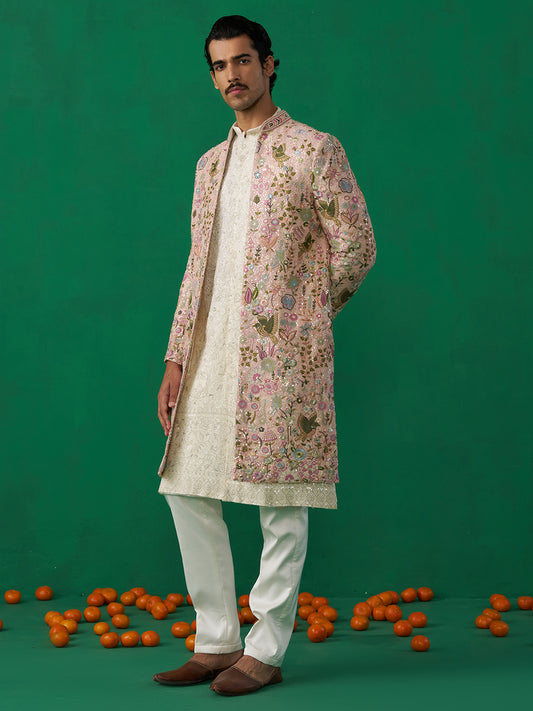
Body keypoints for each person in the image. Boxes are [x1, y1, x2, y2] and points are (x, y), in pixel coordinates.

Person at [153, 15, 376, 696]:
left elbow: (357, 245)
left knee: (280, 500)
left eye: (243, 60)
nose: (232, 75)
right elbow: (197, 263)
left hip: (281, 359)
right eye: (219, 66)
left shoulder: (315, 150)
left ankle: (266, 647)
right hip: (208, 351)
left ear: (269, 63)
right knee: (186, 486)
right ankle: (216, 639)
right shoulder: (208, 165)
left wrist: (303, 321)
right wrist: (174, 357)